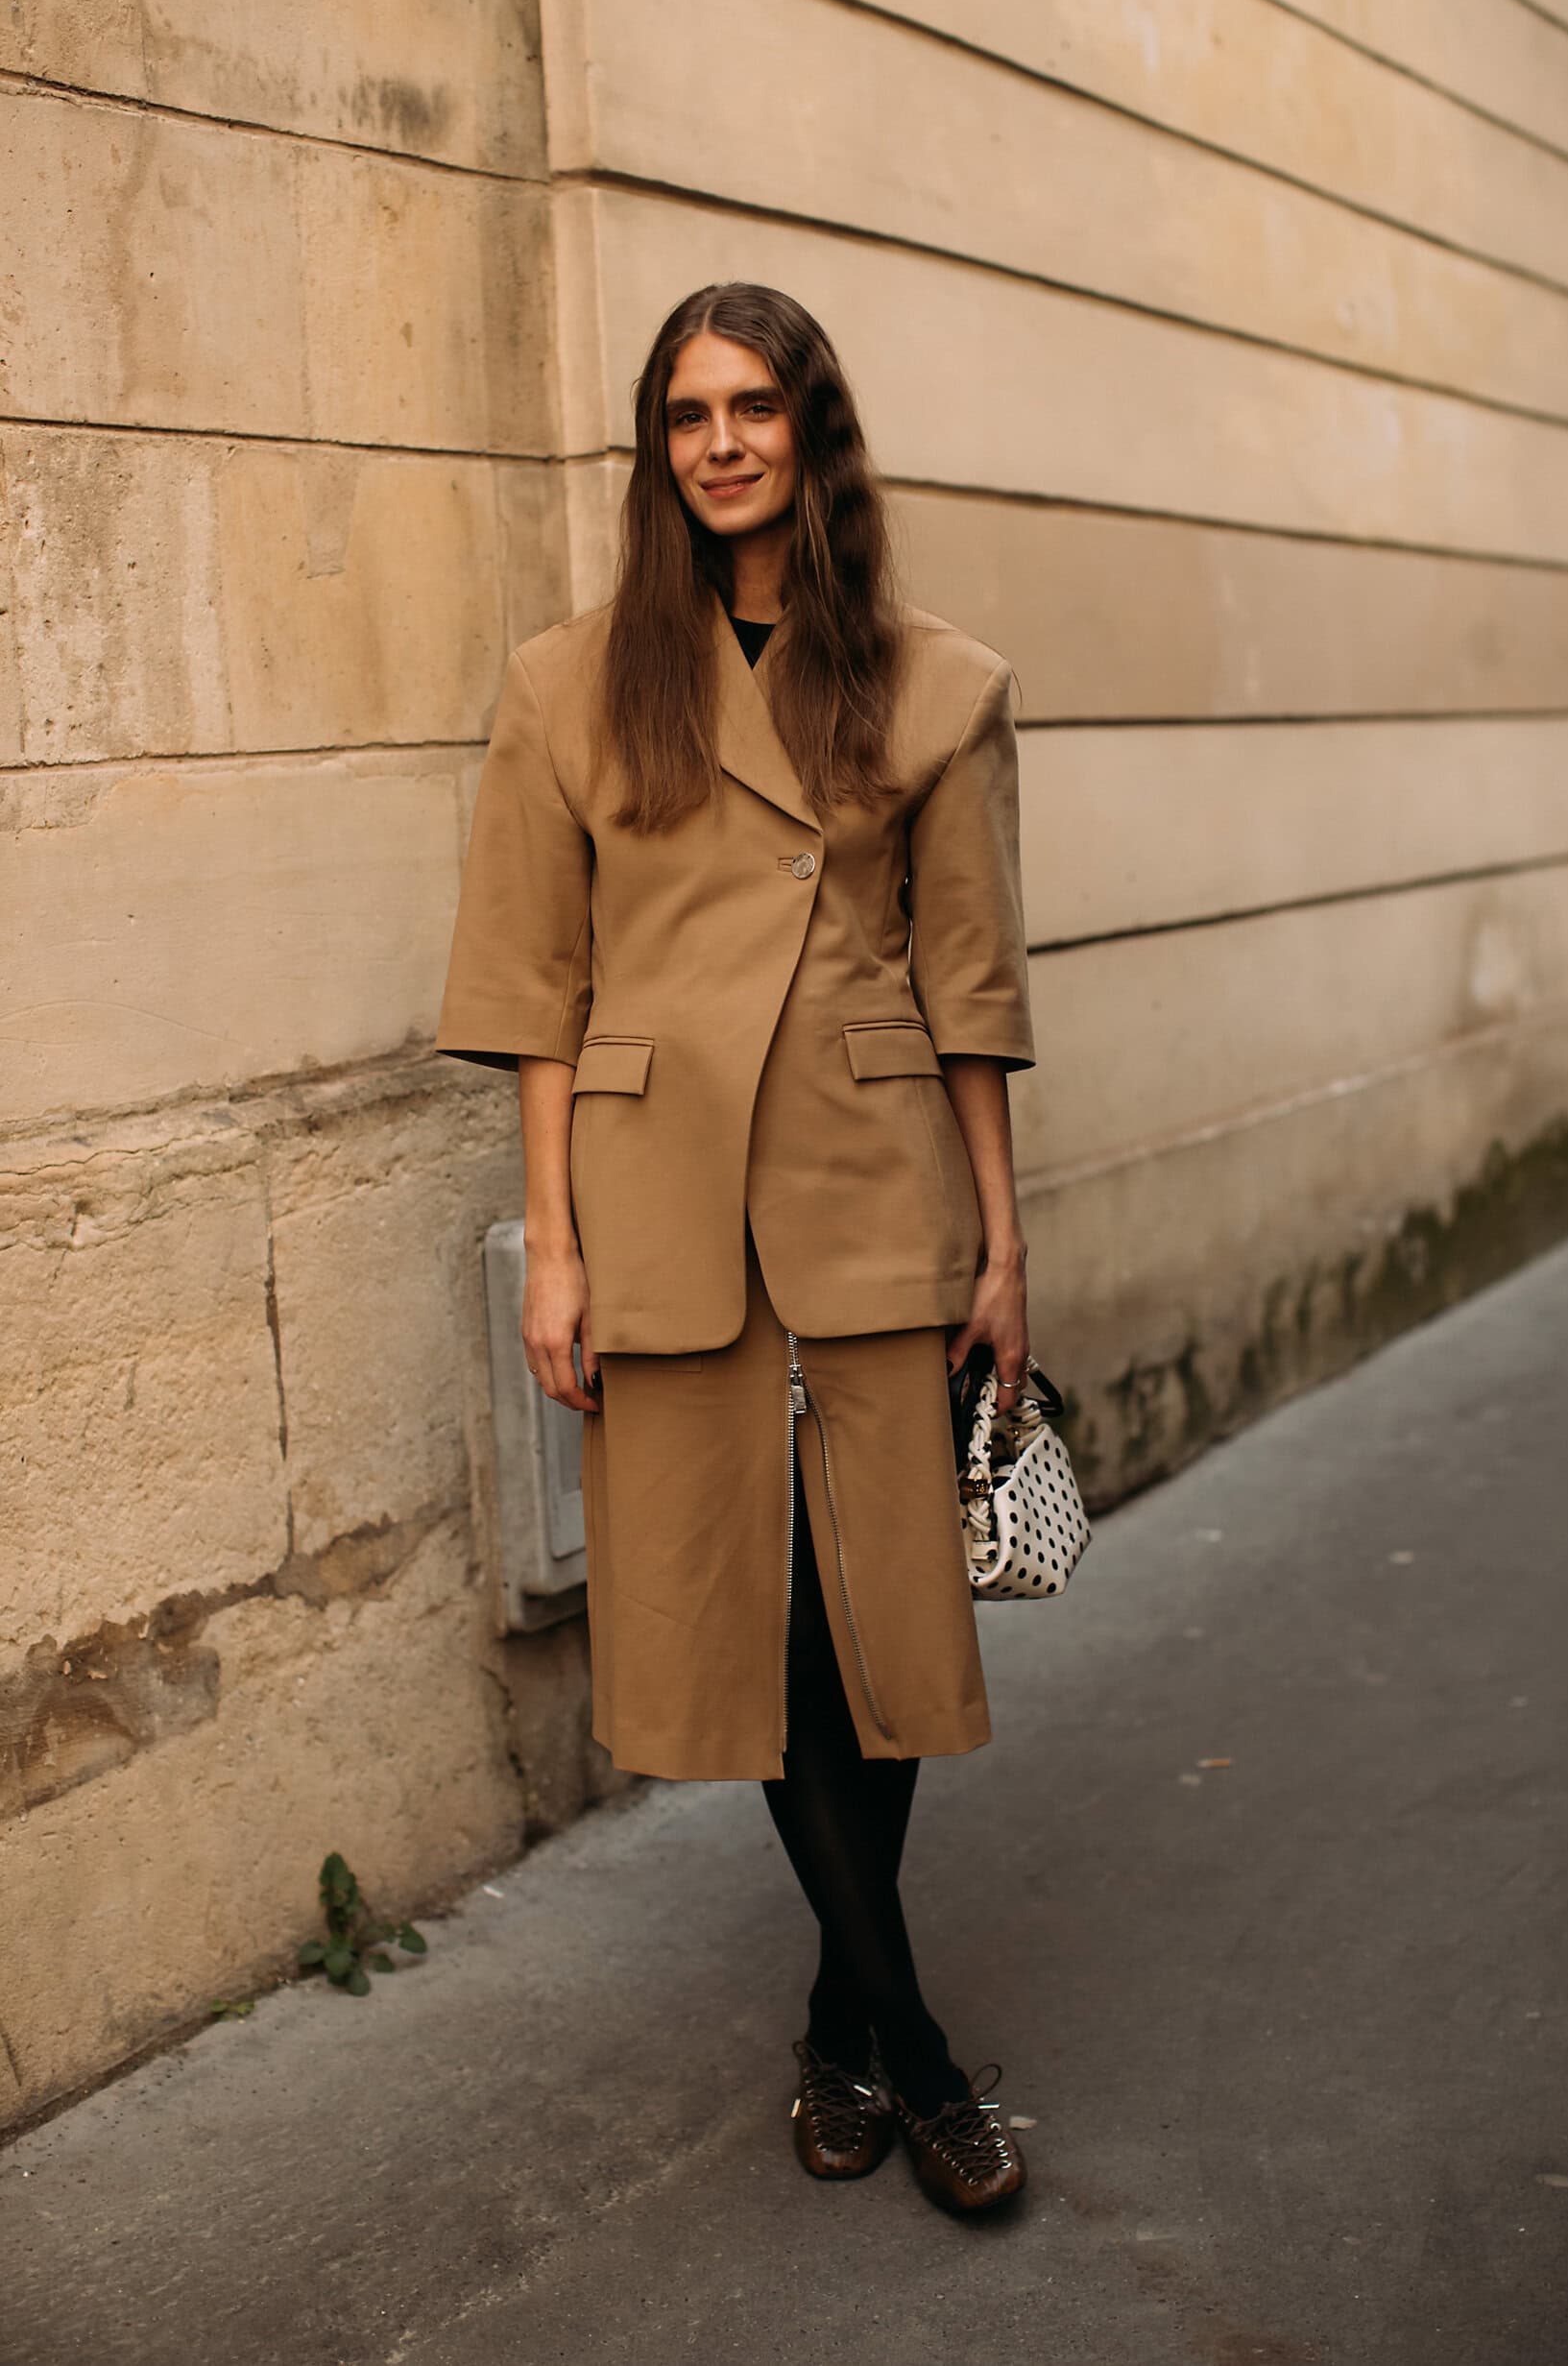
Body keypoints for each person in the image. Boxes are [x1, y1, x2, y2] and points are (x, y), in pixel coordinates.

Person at [436, 282, 1035, 2215]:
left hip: (873, 1185)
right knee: (759, 1631)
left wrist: (1004, 1247)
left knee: (875, 1619)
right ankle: (910, 2037)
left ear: (810, 430)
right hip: (661, 1194)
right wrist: (553, 1248)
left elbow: (971, 988)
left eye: (754, 407)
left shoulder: (937, 682)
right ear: (655, 444)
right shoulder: (573, 681)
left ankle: (854, 2024)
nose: (720, 442)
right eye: (686, 411)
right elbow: (536, 985)